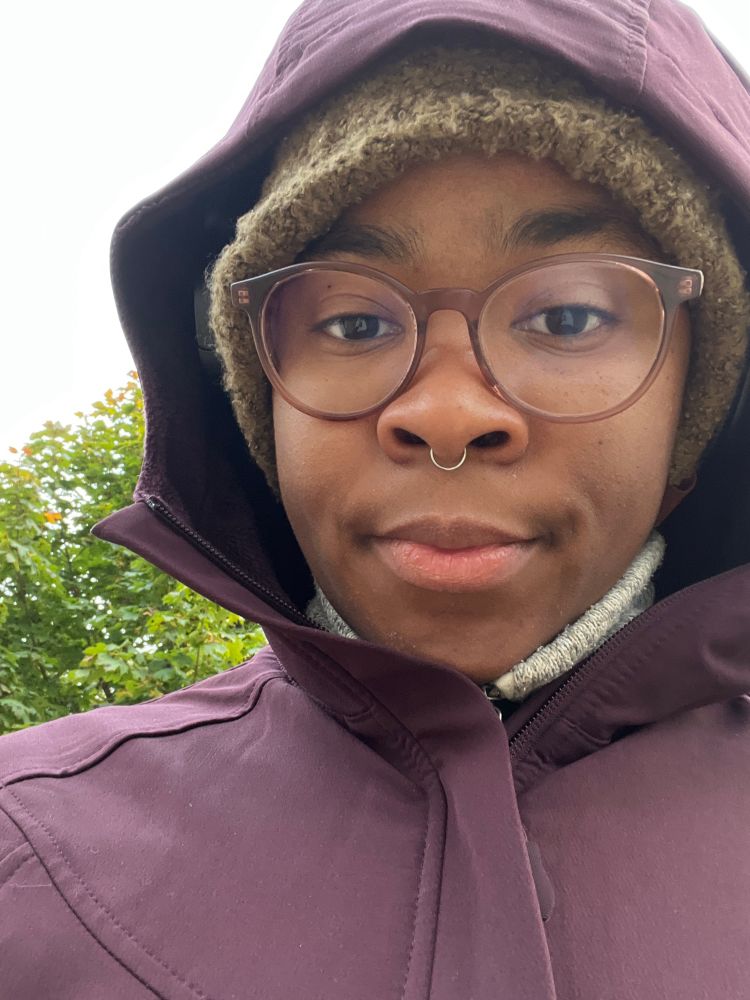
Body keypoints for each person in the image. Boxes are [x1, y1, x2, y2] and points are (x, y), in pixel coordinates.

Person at [1, 0, 749, 996]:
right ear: (259, 410)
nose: (446, 413)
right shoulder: (29, 855)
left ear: (695, 416)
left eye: (568, 314)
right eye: (353, 323)